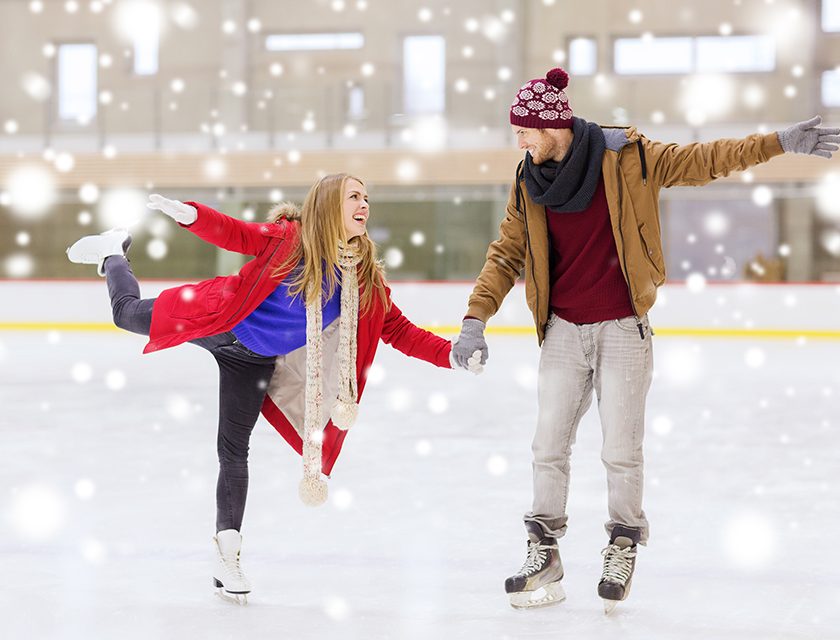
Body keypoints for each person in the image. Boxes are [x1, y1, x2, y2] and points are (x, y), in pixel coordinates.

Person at [450, 67, 840, 613]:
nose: (519, 141)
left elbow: (703, 160)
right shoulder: (527, 181)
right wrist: (475, 317)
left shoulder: (626, 156)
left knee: (620, 450)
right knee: (547, 447)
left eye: (525, 131)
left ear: (554, 125)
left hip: (622, 329)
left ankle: (623, 543)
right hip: (562, 329)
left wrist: (777, 142)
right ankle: (544, 549)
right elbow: (506, 253)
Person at [67, 173, 482, 605]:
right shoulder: (289, 239)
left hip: (251, 361)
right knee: (126, 315)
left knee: (233, 448)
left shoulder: (363, 282)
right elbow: (237, 234)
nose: (365, 204)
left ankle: (226, 553)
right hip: (218, 317)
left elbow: (400, 330)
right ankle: (113, 251)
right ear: (327, 206)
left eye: (367, 198)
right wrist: (192, 215)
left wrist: (450, 354)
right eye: (354, 196)